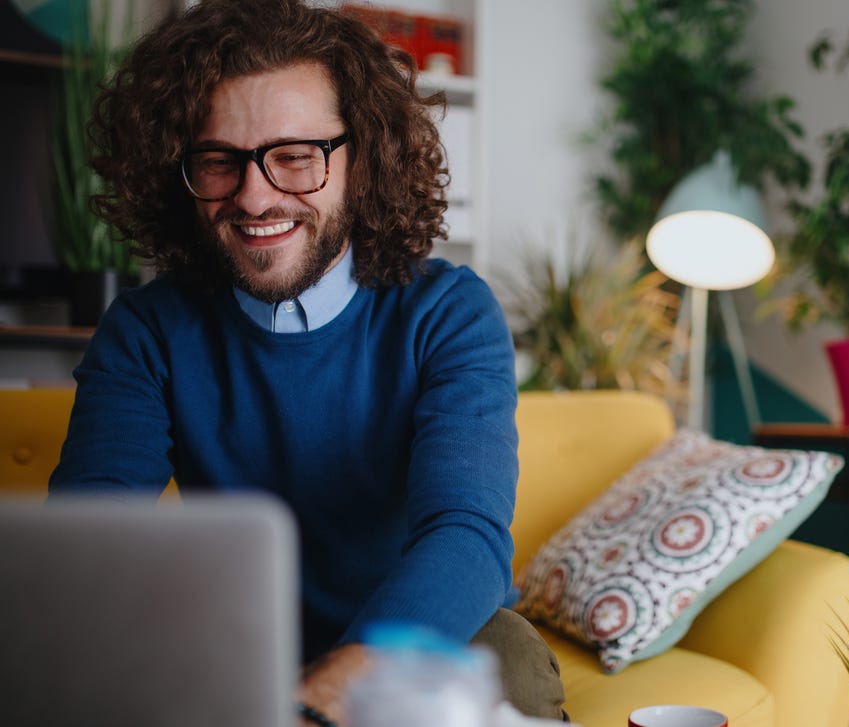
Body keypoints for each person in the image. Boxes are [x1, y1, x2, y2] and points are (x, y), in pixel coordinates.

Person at [47, 0, 566, 723]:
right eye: (218, 160)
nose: (255, 195)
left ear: (363, 159)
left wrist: (329, 688)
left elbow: (466, 534)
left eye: (295, 156)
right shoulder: (147, 329)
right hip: (235, 637)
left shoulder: (448, 312)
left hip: (418, 638)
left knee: (509, 661)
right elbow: (86, 541)